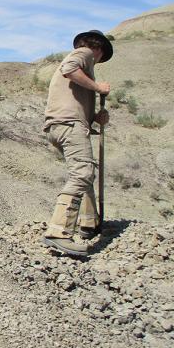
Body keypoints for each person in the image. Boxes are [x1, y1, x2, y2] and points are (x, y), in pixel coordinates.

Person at [42, 29, 113, 256]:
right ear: (98, 49)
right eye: (101, 57)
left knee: (85, 173)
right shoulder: (84, 54)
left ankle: (88, 222)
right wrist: (98, 87)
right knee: (82, 172)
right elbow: (69, 70)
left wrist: (95, 118)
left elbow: (73, 98)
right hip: (69, 125)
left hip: (64, 124)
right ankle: (58, 232)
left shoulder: (84, 63)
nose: (98, 61)